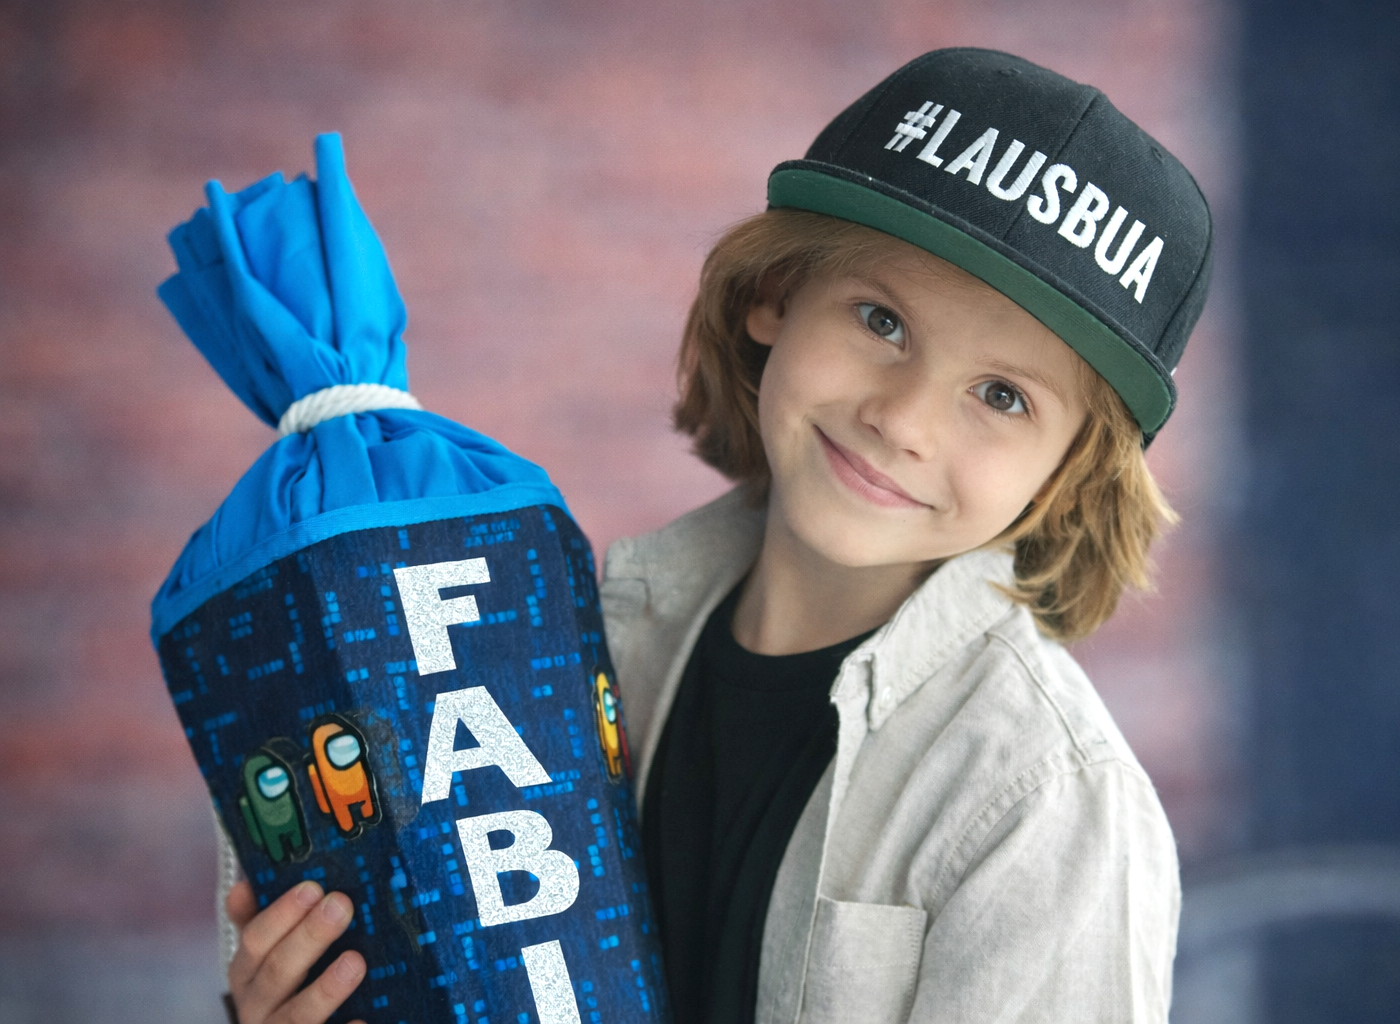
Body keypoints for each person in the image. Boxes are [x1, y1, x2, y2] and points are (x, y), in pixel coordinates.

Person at [223, 46, 1211, 1024]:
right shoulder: (569, 647)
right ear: (773, 295)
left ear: (1072, 467)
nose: (904, 420)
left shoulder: (1047, 807)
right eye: (881, 320)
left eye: (1002, 395)